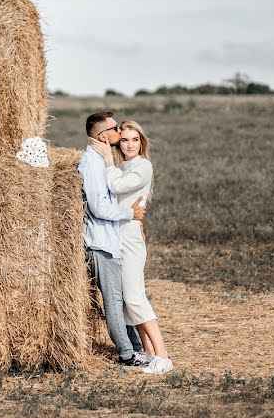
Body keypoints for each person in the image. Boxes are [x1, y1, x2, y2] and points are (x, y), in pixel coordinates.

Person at [90, 120, 174, 375]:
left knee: (136, 297)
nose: (128, 144)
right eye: (124, 139)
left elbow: (116, 186)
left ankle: (163, 356)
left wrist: (107, 160)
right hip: (119, 237)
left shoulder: (143, 167)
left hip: (131, 241)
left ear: (141, 142)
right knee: (127, 300)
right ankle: (148, 354)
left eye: (134, 140)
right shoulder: (125, 165)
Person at [79, 111, 151, 370]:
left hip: (112, 241)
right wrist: (130, 214)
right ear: (102, 136)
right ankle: (127, 355)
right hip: (100, 242)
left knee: (120, 298)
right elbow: (99, 208)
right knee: (113, 301)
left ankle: (136, 347)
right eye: (114, 130)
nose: (120, 134)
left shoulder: (104, 162)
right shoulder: (91, 165)